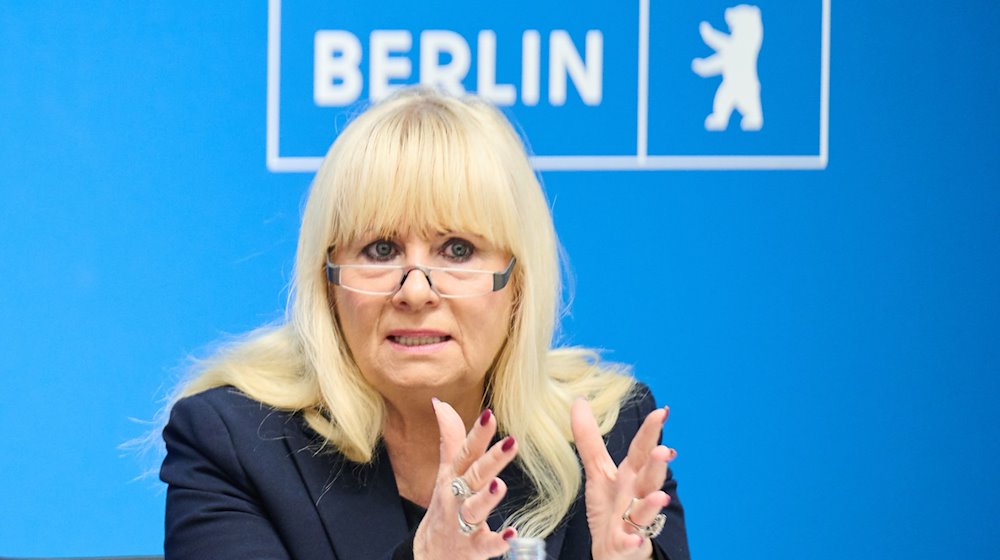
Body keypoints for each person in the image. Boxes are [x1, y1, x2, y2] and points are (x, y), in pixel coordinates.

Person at [159, 87, 689, 559]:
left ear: (518, 284)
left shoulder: (607, 435)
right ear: (329, 283)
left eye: (457, 249)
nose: (415, 291)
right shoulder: (233, 445)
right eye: (380, 248)